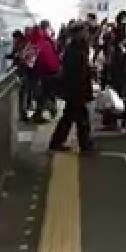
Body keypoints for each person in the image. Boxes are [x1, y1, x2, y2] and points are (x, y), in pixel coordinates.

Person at [48, 22, 95, 154]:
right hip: (76, 89)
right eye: (84, 31)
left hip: (74, 89)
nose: (86, 34)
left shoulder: (73, 48)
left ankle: (57, 142)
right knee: (81, 118)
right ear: (78, 33)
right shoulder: (75, 50)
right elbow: (78, 72)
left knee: (69, 117)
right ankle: (86, 146)